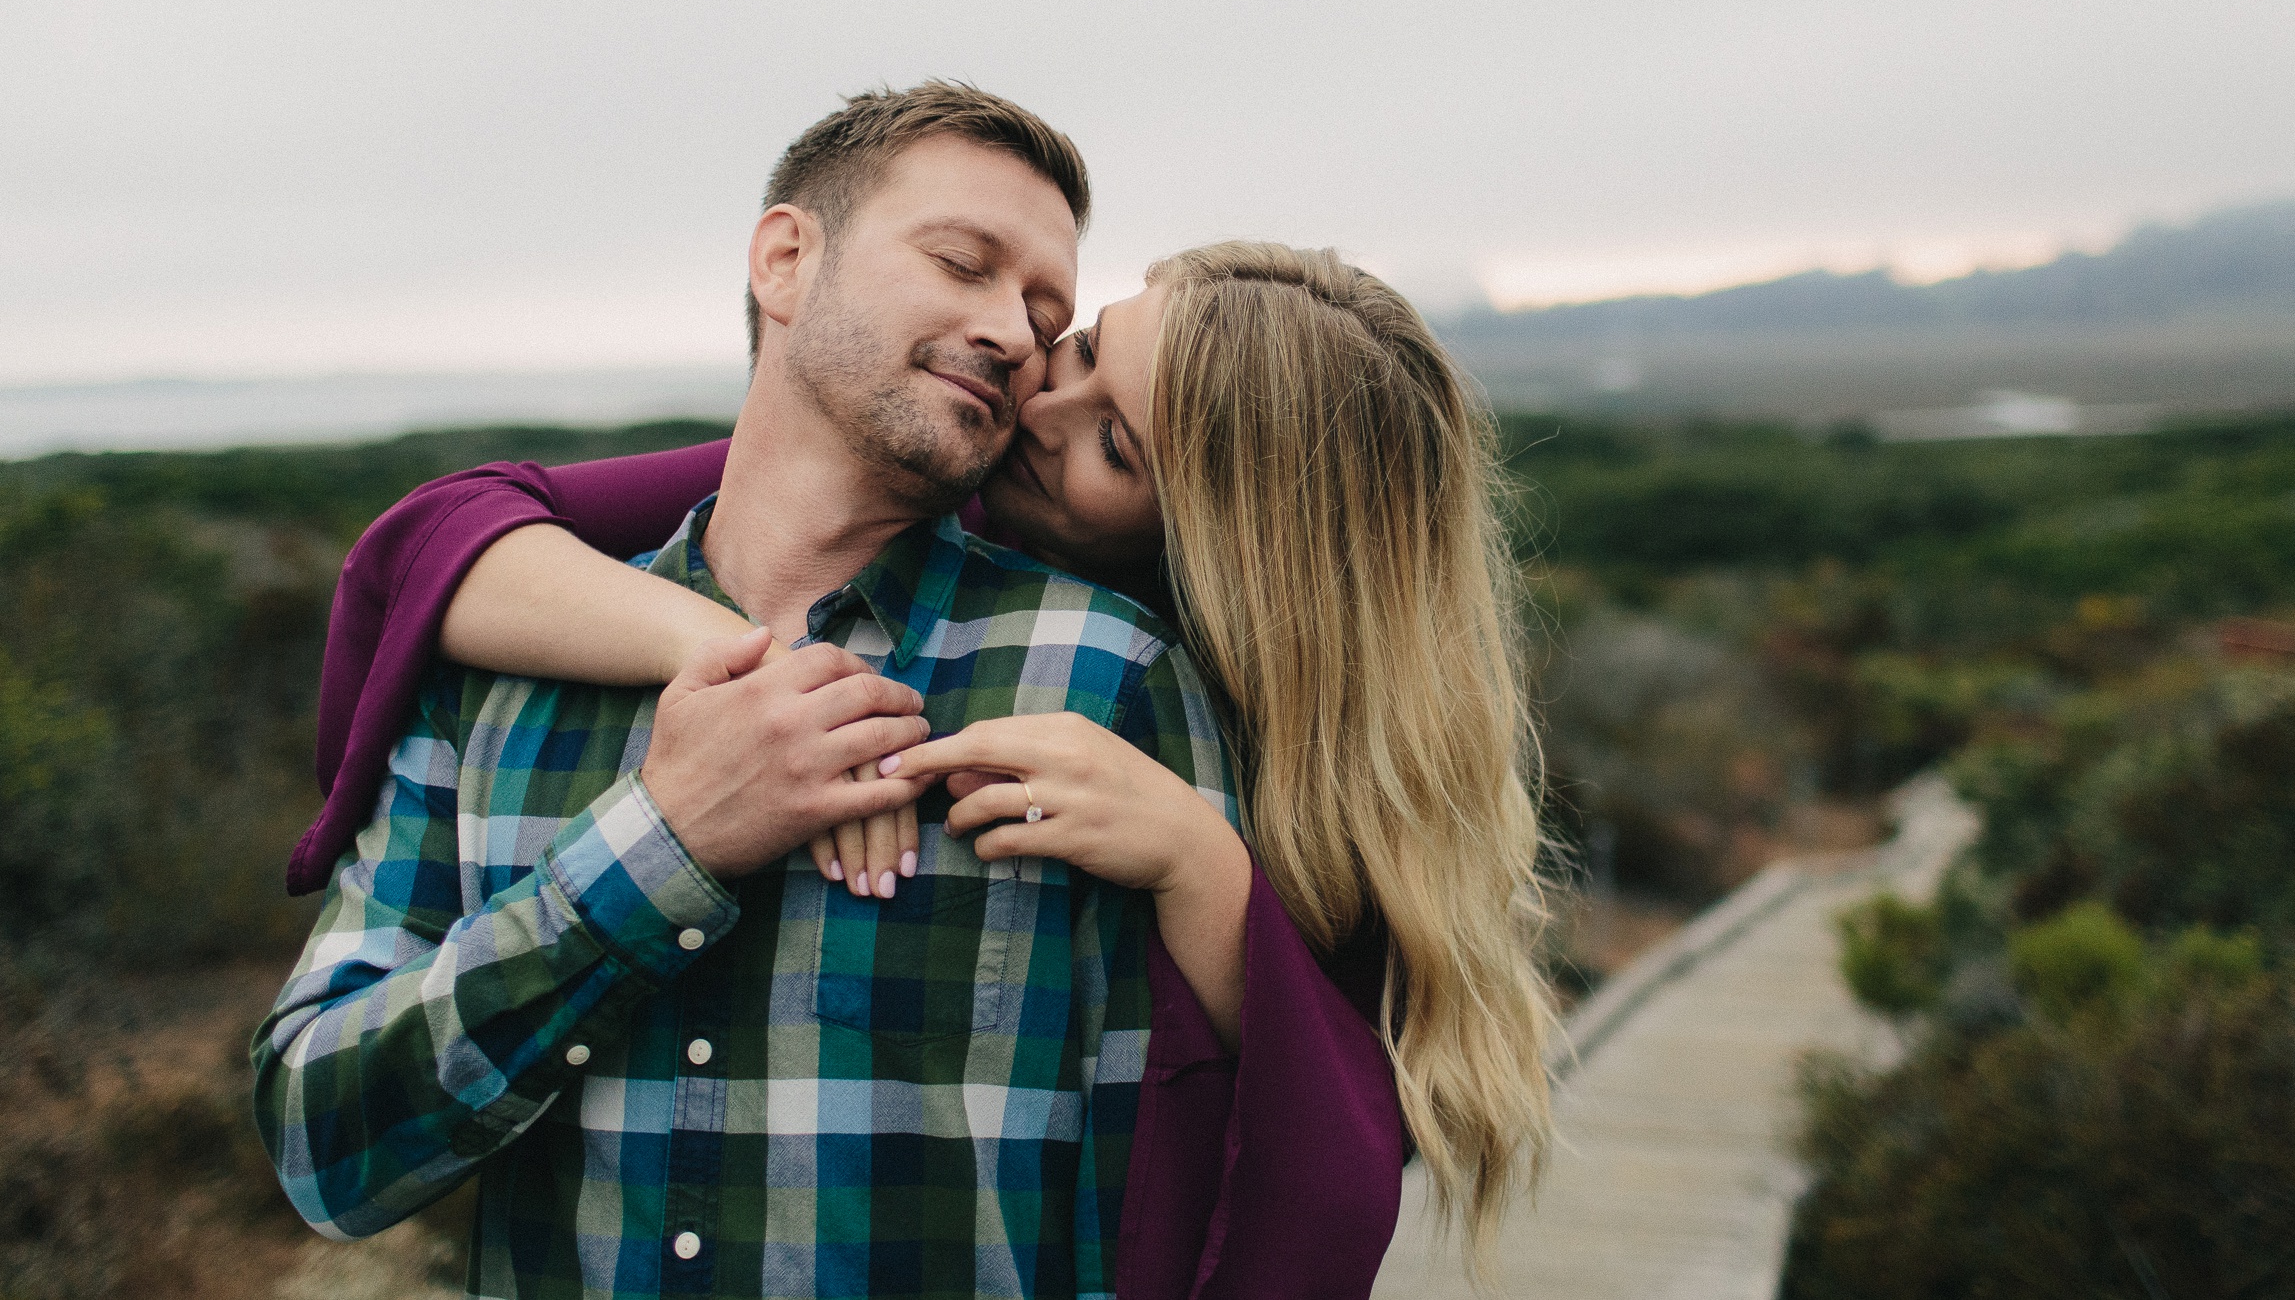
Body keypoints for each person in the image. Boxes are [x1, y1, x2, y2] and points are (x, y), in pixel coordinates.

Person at [290, 233, 1558, 1287]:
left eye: (1115, 445)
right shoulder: (942, 485)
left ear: (1232, 551)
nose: (1036, 409)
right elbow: (440, 537)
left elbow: (1329, 1155)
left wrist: (1197, 863)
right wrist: (757, 665)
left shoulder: (1187, 702)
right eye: (1083, 350)